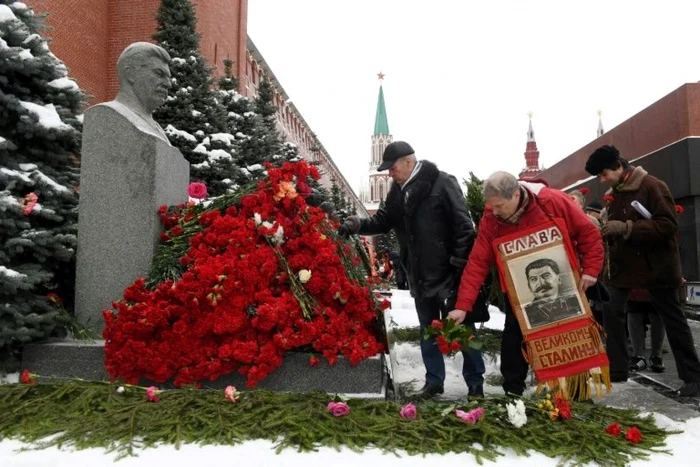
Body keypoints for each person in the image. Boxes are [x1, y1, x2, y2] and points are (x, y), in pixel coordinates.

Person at [338, 141, 485, 399]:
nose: (389, 174)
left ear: (408, 161)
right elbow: (383, 221)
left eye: (392, 168)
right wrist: (356, 224)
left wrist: (460, 268)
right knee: (427, 330)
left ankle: (475, 384)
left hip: (448, 274)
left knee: (463, 330)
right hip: (419, 273)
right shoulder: (398, 191)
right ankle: (434, 382)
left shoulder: (442, 183)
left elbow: (464, 229)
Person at [447, 171, 604, 396]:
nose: (495, 211)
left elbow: (588, 233)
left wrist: (590, 270)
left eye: (499, 205)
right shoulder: (491, 218)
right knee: (514, 339)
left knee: (569, 339)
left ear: (515, 195)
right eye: (491, 206)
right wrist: (463, 305)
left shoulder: (552, 202)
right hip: (518, 293)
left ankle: (576, 391)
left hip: (564, 288)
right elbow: (477, 263)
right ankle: (513, 391)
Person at [585, 145, 700, 396]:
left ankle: (693, 378)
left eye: (604, 174)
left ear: (618, 166)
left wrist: (625, 227)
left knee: (673, 319)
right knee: (612, 311)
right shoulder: (616, 193)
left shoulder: (652, 185)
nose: (603, 180)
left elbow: (668, 225)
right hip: (624, 268)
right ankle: (617, 369)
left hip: (656, 266)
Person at [106, 42, 172, 144]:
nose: (168, 84)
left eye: (168, 78)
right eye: (159, 74)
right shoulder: (109, 115)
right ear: (130, 74)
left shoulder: (158, 129)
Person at [523, 258, 582, 328]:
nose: (541, 283)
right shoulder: (525, 313)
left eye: (546, 276)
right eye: (534, 279)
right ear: (529, 286)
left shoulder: (577, 302)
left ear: (559, 279)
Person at [627, 289, 665, 373]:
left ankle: (656, 356)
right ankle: (639, 356)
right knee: (634, 313)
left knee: (657, 315)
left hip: (656, 286)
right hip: (634, 284)